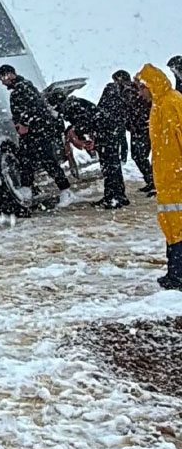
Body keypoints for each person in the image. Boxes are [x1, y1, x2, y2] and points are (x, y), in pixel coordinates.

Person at [0, 65, 76, 207]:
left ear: (10, 74)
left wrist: (24, 124)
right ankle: (27, 188)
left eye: (3, 78)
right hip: (33, 132)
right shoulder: (21, 87)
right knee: (26, 160)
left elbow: (35, 107)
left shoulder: (23, 88)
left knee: (47, 160)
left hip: (38, 131)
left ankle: (65, 190)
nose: (2, 82)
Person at [135, 64, 182, 290]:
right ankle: (174, 273)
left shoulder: (172, 103)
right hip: (167, 181)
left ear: (150, 85)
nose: (139, 93)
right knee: (171, 227)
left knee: (178, 228)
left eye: (141, 88)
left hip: (177, 181)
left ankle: (178, 275)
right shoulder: (159, 105)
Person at [90, 72, 133, 209]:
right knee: (114, 165)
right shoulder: (128, 92)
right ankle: (119, 195)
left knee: (109, 166)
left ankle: (112, 197)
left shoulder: (111, 89)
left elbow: (101, 110)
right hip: (116, 131)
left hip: (107, 133)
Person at [121, 72, 156, 195]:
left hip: (142, 128)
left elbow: (135, 109)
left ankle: (153, 181)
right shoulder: (130, 91)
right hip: (137, 128)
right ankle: (151, 180)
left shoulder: (133, 92)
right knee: (138, 156)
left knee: (140, 156)